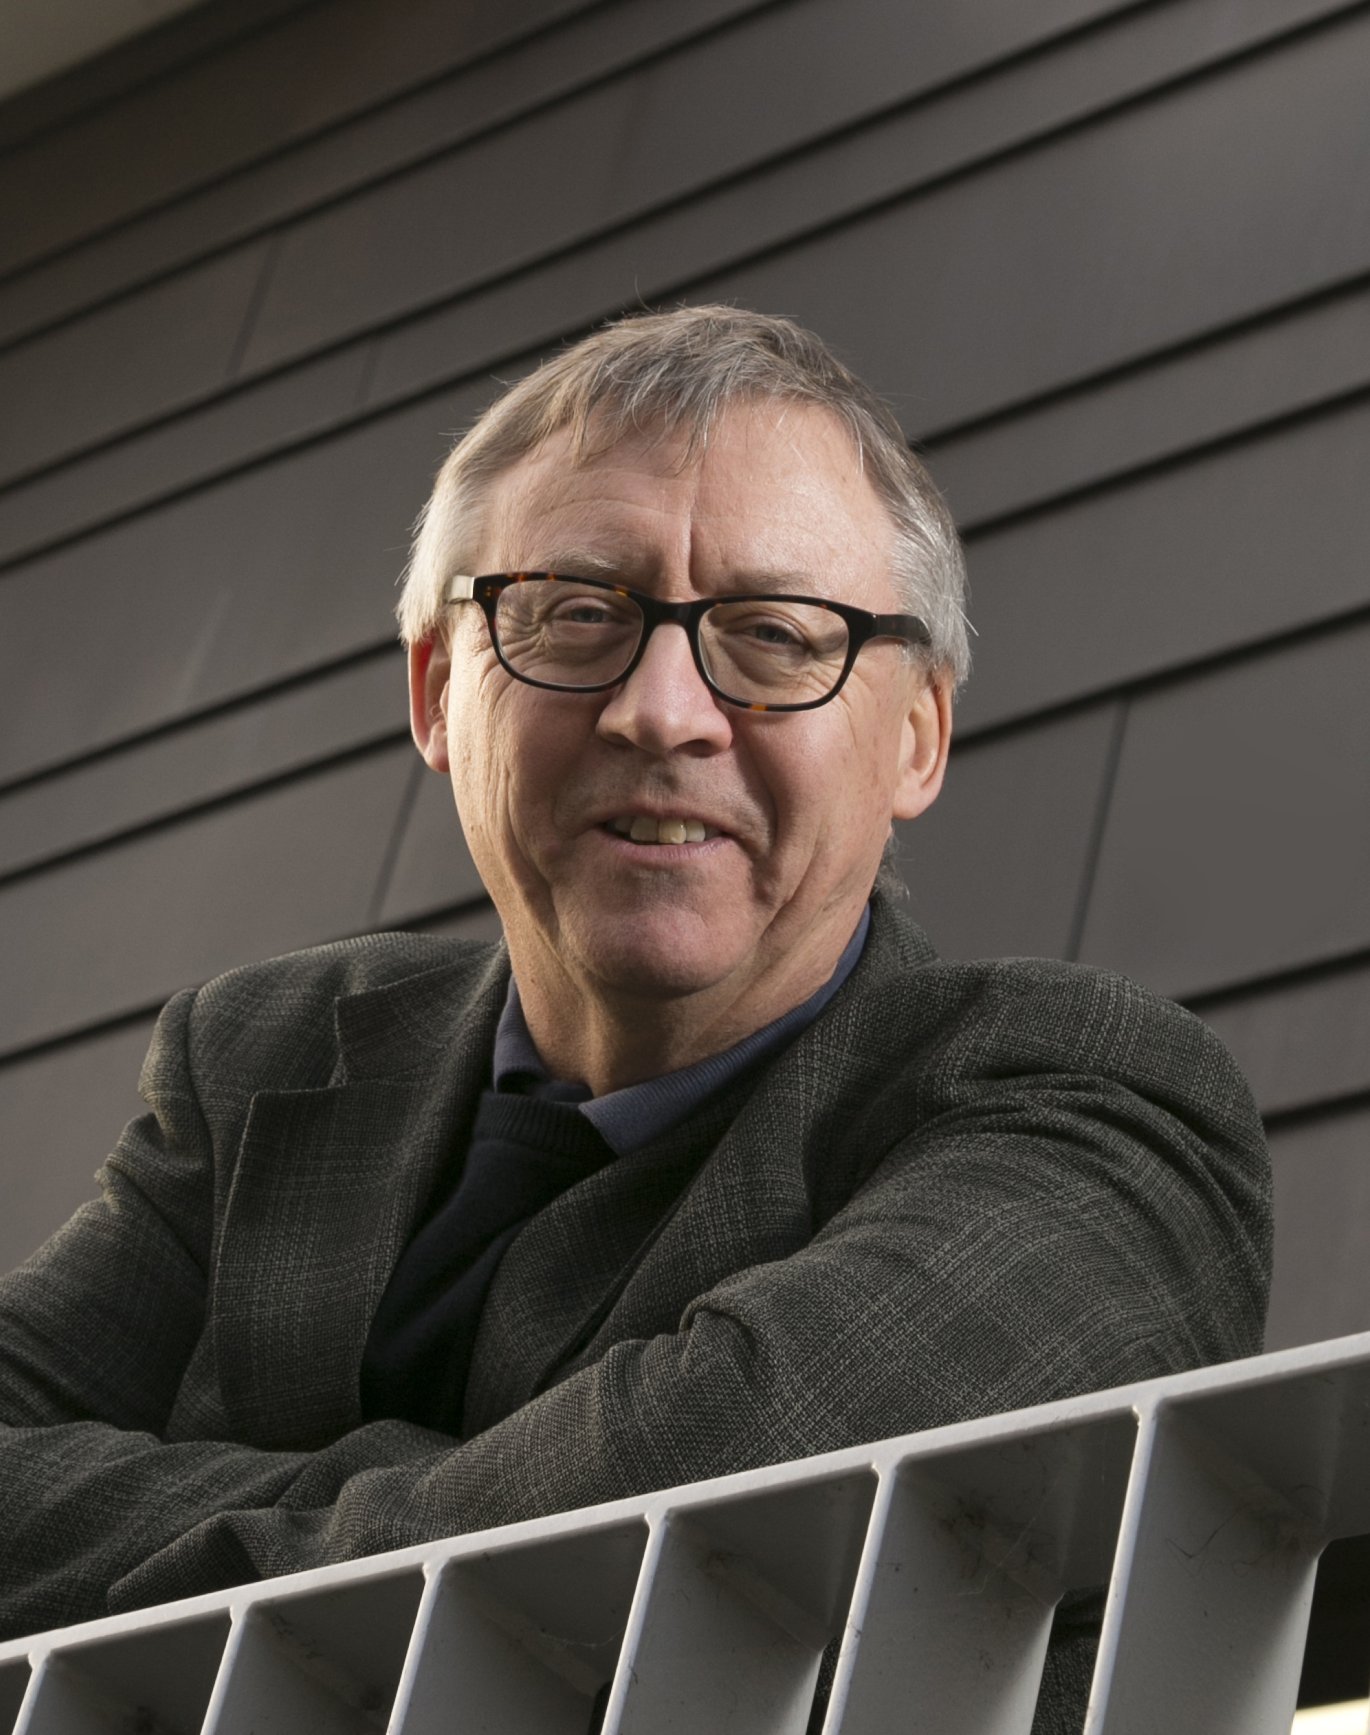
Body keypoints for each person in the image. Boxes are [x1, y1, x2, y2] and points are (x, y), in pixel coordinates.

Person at [0, 307, 1269, 1728]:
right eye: (575, 615)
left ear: (916, 734)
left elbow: (666, 1550)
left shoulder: (1093, 1112)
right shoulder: (260, 1060)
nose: (662, 712)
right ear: (438, 691)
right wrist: (457, 1507)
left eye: (774, 636)